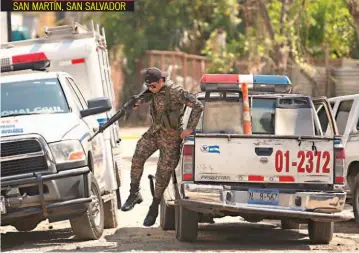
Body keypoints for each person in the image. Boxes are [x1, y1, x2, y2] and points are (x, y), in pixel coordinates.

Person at [121, 67, 204, 227]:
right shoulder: (153, 90)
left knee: (162, 174)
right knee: (138, 156)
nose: (150, 89)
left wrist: (189, 129)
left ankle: (154, 206)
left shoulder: (176, 91)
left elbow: (198, 105)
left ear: (161, 81)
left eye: (153, 86)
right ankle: (134, 193)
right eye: (148, 86)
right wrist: (137, 102)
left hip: (172, 139)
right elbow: (148, 97)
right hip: (155, 133)